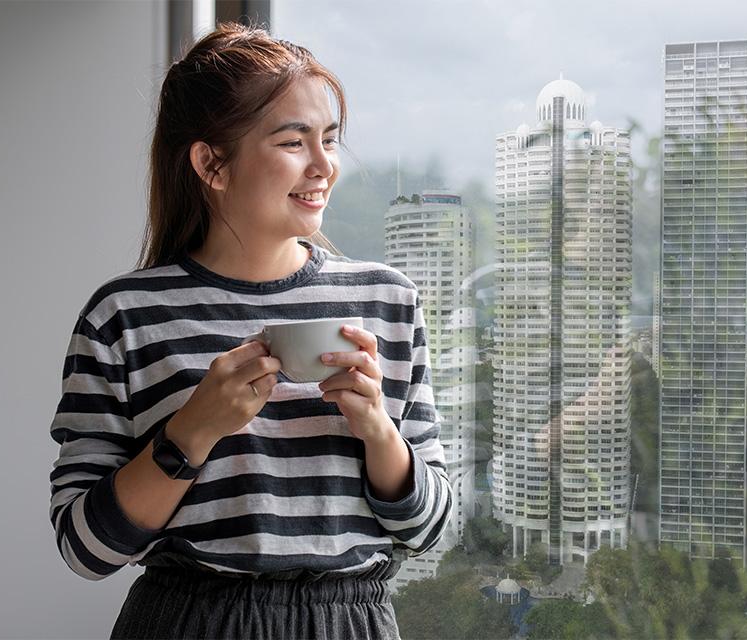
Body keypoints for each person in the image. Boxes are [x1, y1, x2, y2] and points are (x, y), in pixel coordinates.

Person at [48, 22, 451, 640]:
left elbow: (431, 530)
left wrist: (376, 430)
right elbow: (86, 549)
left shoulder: (385, 300)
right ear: (212, 163)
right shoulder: (123, 315)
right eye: (294, 141)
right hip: (189, 622)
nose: (324, 166)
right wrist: (194, 428)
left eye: (331, 140)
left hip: (353, 622)